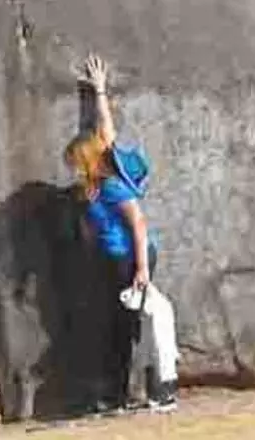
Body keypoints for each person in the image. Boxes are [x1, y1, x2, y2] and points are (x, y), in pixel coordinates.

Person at [65, 54, 178, 414]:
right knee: (120, 323)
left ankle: (144, 391)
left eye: (73, 161)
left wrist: (142, 269)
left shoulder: (111, 184)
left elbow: (139, 225)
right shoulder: (95, 180)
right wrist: (98, 91)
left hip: (133, 257)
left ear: (85, 162)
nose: (69, 167)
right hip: (116, 258)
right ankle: (123, 393)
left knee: (131, 323)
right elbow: (103, 130)